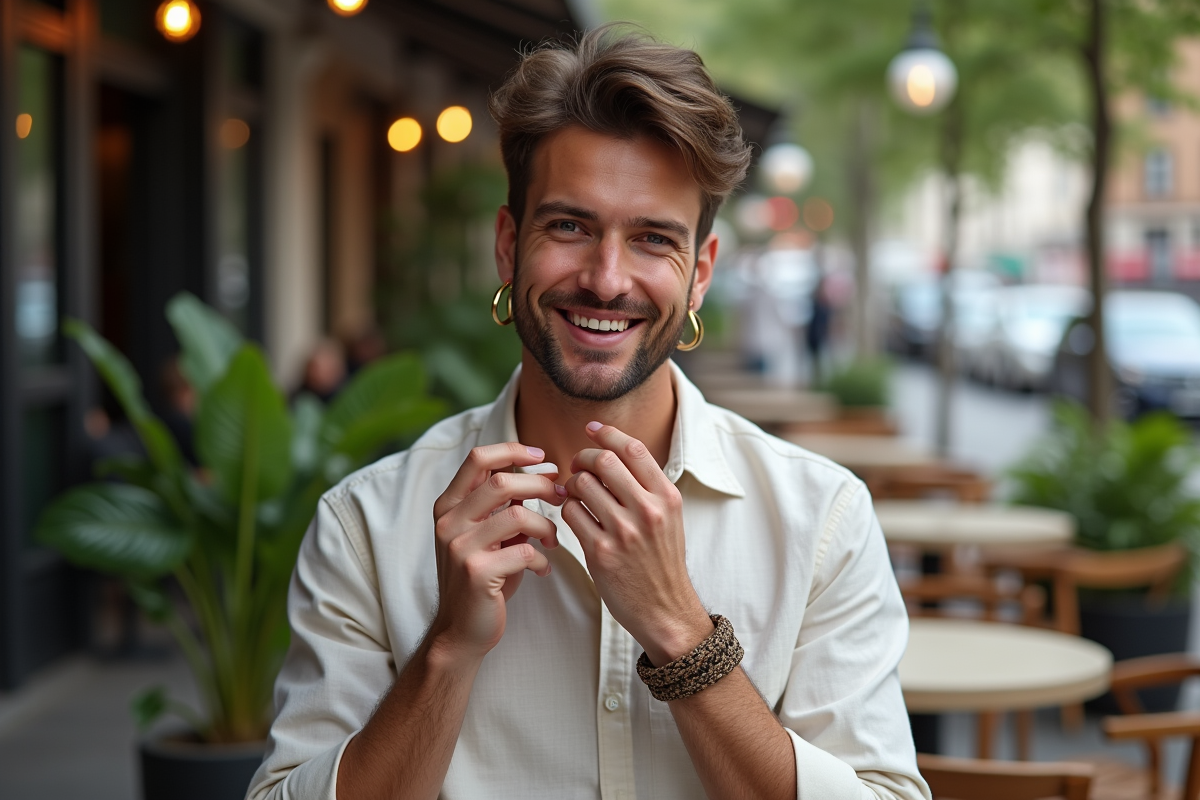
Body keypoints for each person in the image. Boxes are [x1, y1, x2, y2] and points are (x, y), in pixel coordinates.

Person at [248, 26, 928, 800]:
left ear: (699, 273)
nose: (606, 281)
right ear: (508, 247)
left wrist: (682, 634)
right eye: (569, 226)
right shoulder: (366, 526)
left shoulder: (821, 521)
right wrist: (446, 651)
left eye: (652, 239)